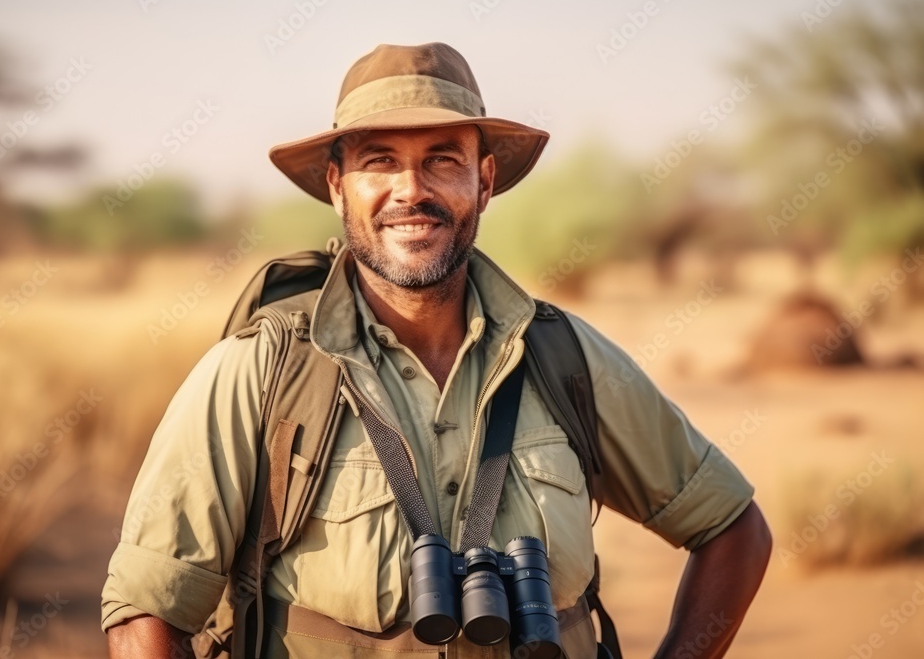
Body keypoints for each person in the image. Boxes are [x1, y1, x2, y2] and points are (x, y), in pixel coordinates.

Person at [102, 42, 772, 658]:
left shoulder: (565, 357)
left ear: (483, 180)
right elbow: (145, 613)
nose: (411, 190)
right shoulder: (264, 369)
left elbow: (731, 527)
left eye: (442, 160)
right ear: (338, 186)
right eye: (379, 161)